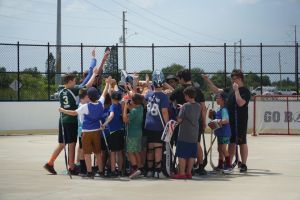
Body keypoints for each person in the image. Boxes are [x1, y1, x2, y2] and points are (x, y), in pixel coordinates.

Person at [43, 71, 98, 175]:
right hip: (71, 119)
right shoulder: (74, 89)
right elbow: (87, 85)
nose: (75, 82)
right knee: (72, 144)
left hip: (62, 119)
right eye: (74, 81)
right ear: (70, 81)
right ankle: (71, 167)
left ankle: (50, 163)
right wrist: (94, 75)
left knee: (62, 143)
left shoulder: (60, 89)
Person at [202, 69, 251, 172]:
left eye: (235, 78)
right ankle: (229, 163)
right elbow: (216, 90)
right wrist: (207, 80)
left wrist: (237, 90)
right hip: (229, 120)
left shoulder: (245, 91)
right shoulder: (230, 90)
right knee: (231, 142)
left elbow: (240, 103)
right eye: (232, 79)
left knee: (242, 142)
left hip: (240, 120)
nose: (233, 81)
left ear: (241, 79)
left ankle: (244, 164)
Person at [59, 87, 104, 179]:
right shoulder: (101, 104)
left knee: (87, 153)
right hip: (97, 131)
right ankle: (101, 171)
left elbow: (74, 113)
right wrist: (107, 84)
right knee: (98, 153)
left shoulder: (85, 106)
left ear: (89, 96)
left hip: (86, 132)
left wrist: (63, 110)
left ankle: (89, 172)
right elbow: (104, 93)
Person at [170, 69, 207, 175]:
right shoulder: (198, 91)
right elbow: (203, 108)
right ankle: (200, 165)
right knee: (196, 144)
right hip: (196, 122)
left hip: (182, 125)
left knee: (182, 146)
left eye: (178, 79)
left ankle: (182, 168)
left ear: (182, 78)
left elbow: (170, 101)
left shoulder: (178, 90)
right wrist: (204, 122)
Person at [144, 70, 169, 178]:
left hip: (148, 123)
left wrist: (147, 84)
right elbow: (164, 112)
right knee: (158, 147)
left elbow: (146, 100)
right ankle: (158, 171)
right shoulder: (164, 96)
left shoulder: (149, 94)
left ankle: (149, 170)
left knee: (150, 148)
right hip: (158, 124)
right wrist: (167, 125)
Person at [171, 86, 201, 179]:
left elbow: (179, 119)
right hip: (194, 132)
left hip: (184, 133)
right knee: (192, 154)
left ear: (187, 96)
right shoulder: (198, 105)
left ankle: (182, 173)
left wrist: (180, 110)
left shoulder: (185, 106)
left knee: (182, 154)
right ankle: (189, 172)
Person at [101, 91, 124, 177]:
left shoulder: (112, 106)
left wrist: (104, 124)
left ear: (112, 98)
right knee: (119, 151)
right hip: (120, 130)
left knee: (113, 152)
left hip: (113, 131)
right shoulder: (119, 105)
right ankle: (121, 170)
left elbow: (111, 116)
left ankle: (113, 170)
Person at [208, 92, 231, 172]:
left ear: (223, 100)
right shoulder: (219, 109)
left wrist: (217, 121)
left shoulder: (224, 109)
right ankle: (220, 165)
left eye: (218, 98)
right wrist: (212, 116)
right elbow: (214, 118)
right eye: (216, 97)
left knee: (223, 149)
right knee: (219, 149)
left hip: (224, 132)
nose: (217, 99)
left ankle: (228, 165)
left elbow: (226, 120)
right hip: (220, 132)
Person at [123, 93, 144, 179]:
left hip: (132, 133)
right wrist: (130, 107)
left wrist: (125, 107)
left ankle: (135, 169)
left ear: (134, 102)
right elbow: (134, 109)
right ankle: (139, 168)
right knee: (136, 151)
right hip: (139, 132)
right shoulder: (140, 108)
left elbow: (125, 120)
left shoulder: (134, 111)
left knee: (130, 151)